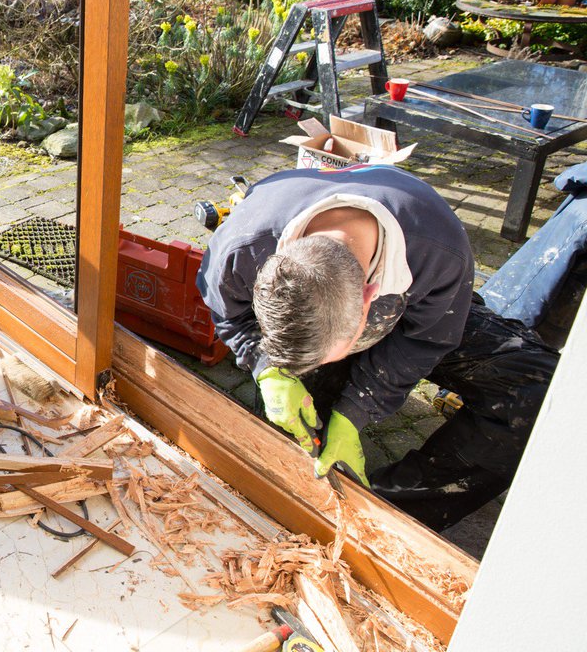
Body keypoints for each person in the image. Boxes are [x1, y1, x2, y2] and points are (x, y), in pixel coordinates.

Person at [197, 165, 556, 530]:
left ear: (371, 299)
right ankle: (316, 500)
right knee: (295, 446)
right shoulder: (242, 246)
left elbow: (426, 339)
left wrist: (358, 408)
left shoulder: (441, 250)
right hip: (325, 319)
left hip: (421, 314)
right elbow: (227, 311)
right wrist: (266, 369)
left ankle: (382, 513)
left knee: (540, 392)